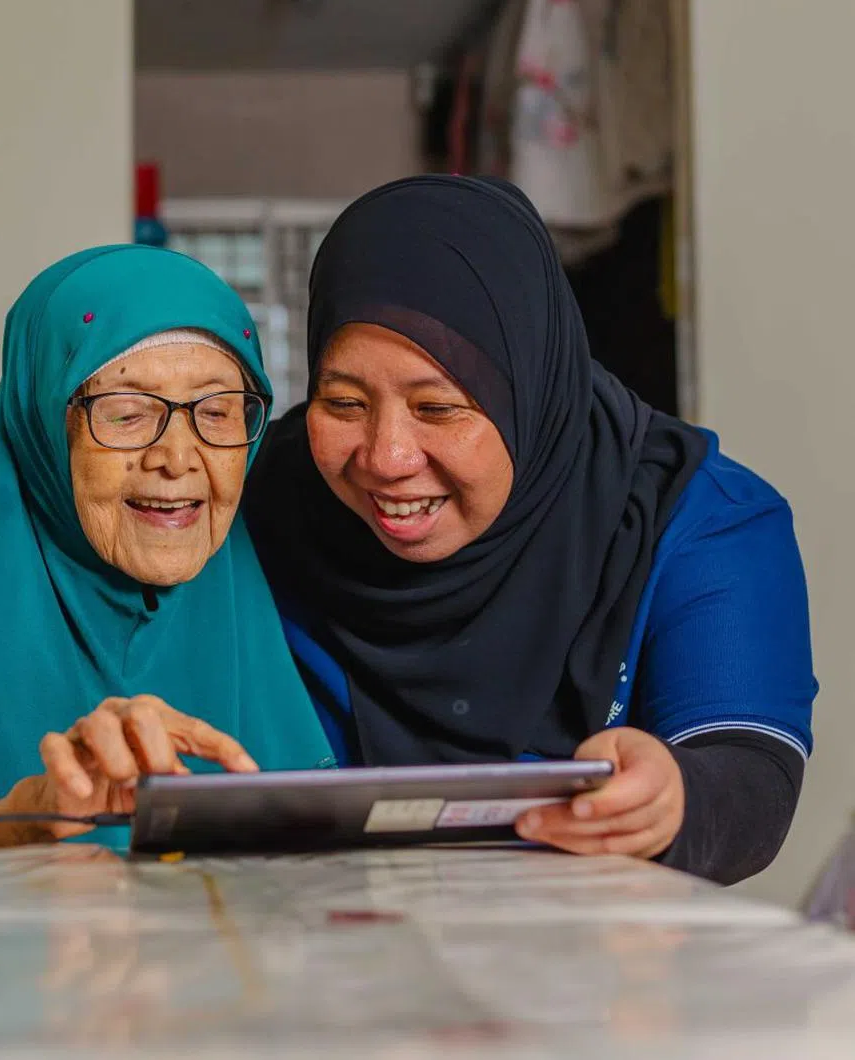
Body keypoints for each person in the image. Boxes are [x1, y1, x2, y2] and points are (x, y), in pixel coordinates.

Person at [245, 175, 816, 886]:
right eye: (343, 401)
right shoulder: (254, 506)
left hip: (597, 975)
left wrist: (672, 799)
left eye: (438, 408)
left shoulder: (701, 521)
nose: (386, 459)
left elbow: (748, 769)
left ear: (529, 390)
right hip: (317, 955)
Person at [0, 246, 333, 853]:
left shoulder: (256, 603)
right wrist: (14, 822)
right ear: (41, 424)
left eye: (219, 411)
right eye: (127, 413)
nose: (179, 459)